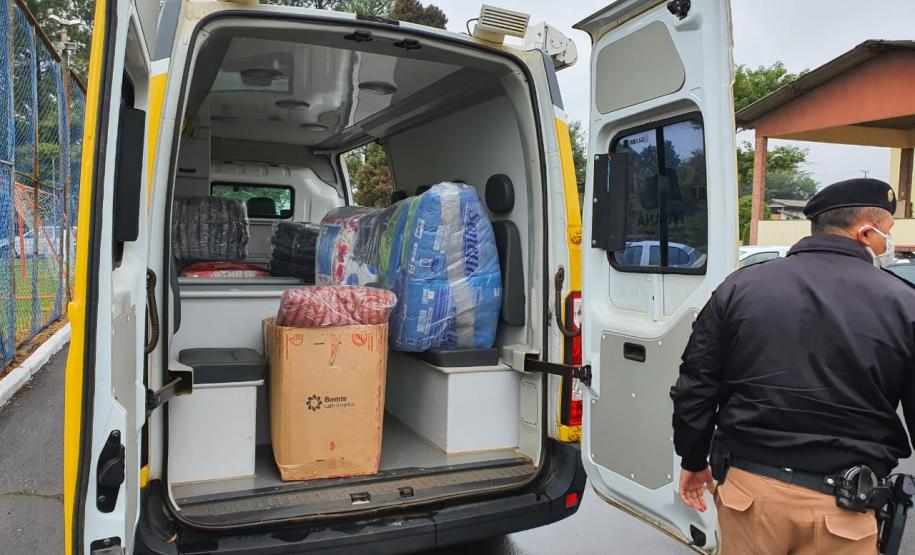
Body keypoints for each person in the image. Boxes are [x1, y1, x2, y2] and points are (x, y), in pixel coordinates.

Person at [671, 178, 915, 554]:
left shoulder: (740, 288)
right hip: (844, 510)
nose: (890, 243)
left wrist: (692, 456)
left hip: (749, 496)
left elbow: (696, 383)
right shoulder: (904, 304)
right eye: (889, 231)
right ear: (866, 232)